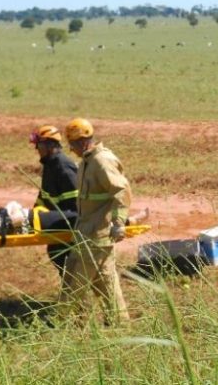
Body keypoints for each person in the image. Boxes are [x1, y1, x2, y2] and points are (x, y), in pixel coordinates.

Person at [60, 118, 130, 323]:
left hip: (98, 234)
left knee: (77, 280)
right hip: (86, 231)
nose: (71, 150)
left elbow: (121, 191)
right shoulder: (87, 163)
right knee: (105, 279)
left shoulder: (101, 162)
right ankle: (120, 321)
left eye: (72, 145)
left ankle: (61, 321)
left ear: (82, 142)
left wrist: (119, 224)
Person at [29, 125, 79, 275]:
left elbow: (76, 203)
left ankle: (72, 288)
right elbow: (44, 197)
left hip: (72, 219)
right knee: (56, 252)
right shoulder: (50, 165)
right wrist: (30, 218)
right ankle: (71, 287)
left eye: (39, 145)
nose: (37, 149)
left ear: (49, 145)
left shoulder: (63, 167)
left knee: (58, 253)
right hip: (61, 216)